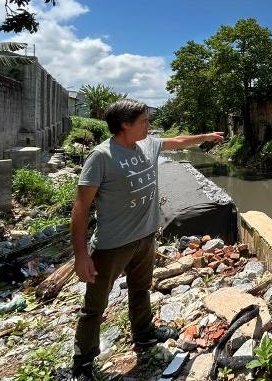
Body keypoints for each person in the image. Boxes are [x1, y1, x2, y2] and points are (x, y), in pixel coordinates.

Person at [70, 99, 224, 380]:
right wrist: (81, 255)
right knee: (95, 306)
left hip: (145, 238)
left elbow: (177, 141)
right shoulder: (101, 157)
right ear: (125, 124)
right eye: (144, 121)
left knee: (140, 290)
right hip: (112, 245)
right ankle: (83, 362)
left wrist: (206, 136)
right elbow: (81, 208)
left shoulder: (148, 145)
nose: (149, 126)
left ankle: (144, 335)